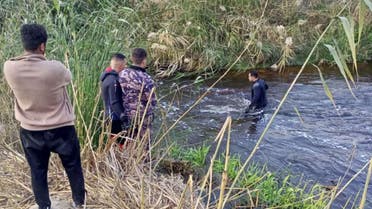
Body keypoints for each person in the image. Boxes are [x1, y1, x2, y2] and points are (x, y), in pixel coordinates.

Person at [3, 24, 85, 209]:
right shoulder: (55, 68)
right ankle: (79, 203)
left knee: (38, 171)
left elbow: (16, 61)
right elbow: (68, 77)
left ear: (24, 44)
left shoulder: (9, 67)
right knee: (73, 168)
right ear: (42, 46)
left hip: (31, 131)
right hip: (62, 128)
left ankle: (44, 206)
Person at [119, 48, 157, 144]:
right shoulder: (146, 78)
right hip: (142, 116)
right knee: (144, 144)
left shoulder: (122, 73)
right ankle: (144, 158)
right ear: (144, 60)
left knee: (129, 141)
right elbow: (152, 101)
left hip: (126, 114)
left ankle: (129, 158)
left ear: (132, 58)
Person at [100, 53, 129, 140]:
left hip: (107, 116)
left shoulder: (106, 77)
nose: (125, 67)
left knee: (112, 143)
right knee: (120, 143)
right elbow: (114, 102)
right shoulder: (113, 81)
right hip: (114, 118)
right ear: (120, 65)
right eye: (125, 64)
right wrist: (123, 117)